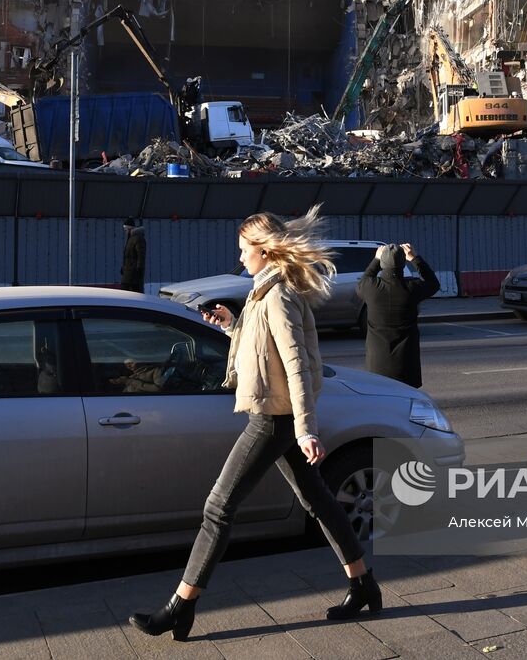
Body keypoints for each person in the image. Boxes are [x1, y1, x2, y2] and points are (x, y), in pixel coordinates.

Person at [129, 207, 379, 641]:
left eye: (244, 248)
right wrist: (231, 326)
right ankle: (363, 584)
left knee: (218, 507)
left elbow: (295, 364)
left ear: (264, 251)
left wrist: (305, 428)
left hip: (273, 418)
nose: (240, 255)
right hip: (275, 412)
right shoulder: (266, 293)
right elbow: (260, 348)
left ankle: (180, 607)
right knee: (317, 499)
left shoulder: (279, 296)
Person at [357, 242, 438, 387]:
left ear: (382, 263)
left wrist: (376, 260)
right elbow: (433, 283)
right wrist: (415, 258)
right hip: (406, 361)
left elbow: (365, 278)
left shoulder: (370, 288)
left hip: (377, 362)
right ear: (403, 264)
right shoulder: (412, 288)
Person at [120, 218, 146, 292]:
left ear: (129, 228)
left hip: (133, 278)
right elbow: (128, 257)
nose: (125, 231)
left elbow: (141, 256)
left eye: (125, 229)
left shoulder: (138, 239)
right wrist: (124, 267)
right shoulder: (130, 239)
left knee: (134, 296)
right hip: (128, 275)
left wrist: (139, 271)